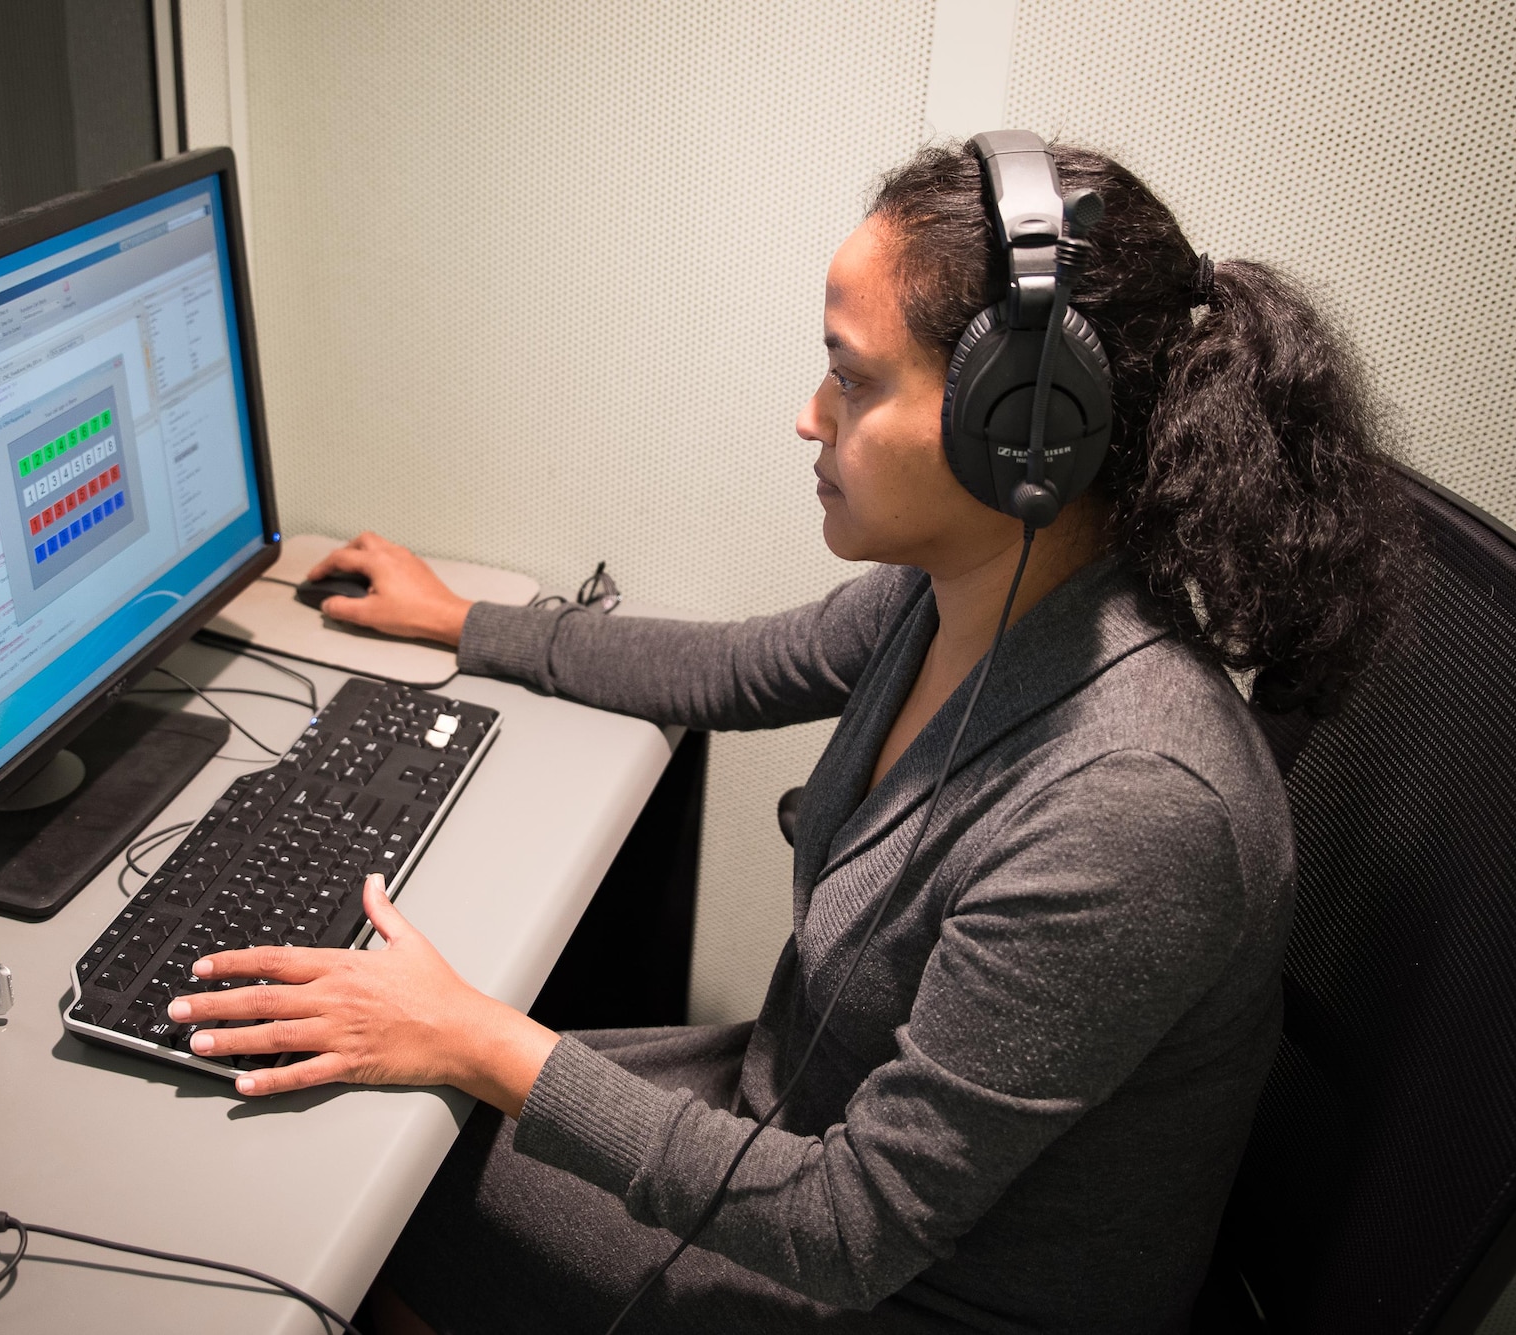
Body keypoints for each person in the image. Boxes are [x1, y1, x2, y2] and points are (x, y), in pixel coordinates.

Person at [163, 141, 1419, 1332]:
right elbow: (729, 665)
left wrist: (478, 1038)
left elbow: (852, 1225)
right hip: (797, 1117)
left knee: (395, 1190)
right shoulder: (965, 593)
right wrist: (459, 620)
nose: (808, 416)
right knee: (412, 1107)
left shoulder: (1132, 803)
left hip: (924, 1293)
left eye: (854, 377)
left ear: (1021, 429)